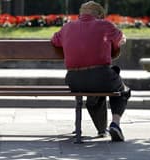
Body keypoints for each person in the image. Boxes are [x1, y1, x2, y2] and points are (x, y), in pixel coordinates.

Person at [51, 1, 130, 142]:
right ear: (99, 15)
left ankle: (102, 130)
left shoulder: (67, 27)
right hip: (100, 76)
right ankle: (115, 124)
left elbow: (55, 40)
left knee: (96, 93)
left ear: (81, 13)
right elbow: (121, 40)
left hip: (74, 80)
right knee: (121, 89)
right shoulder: (105, 25)